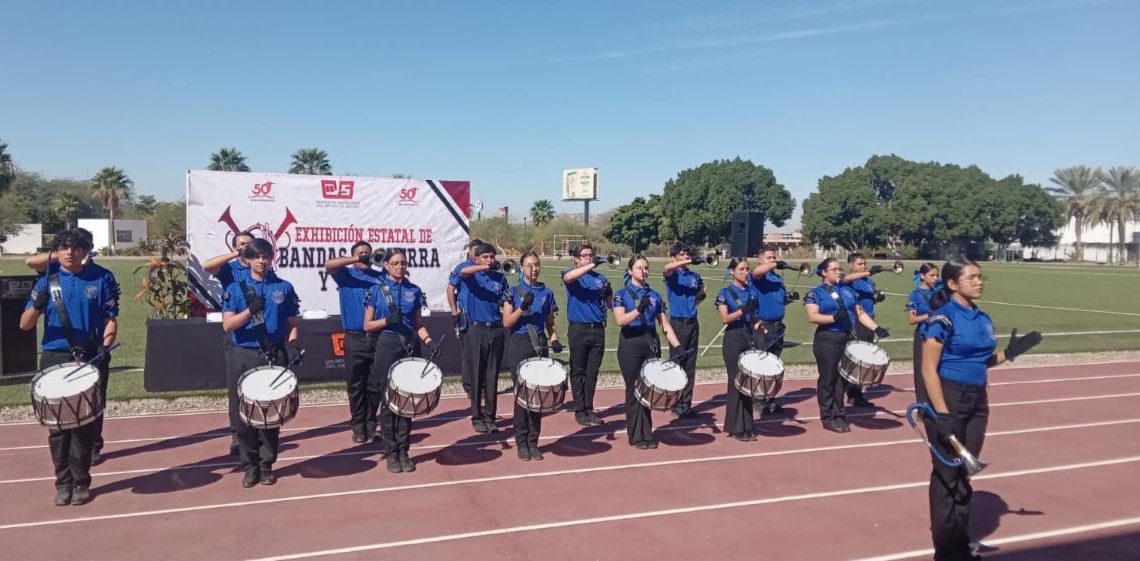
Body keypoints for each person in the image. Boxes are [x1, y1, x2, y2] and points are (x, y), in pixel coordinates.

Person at [918, 259, 1041, 561]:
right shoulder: (942, 319)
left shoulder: (982, 318)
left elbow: (980, 361)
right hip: (949, 397)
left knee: (964, 474)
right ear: (952, 284)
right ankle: (946, 552)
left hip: (977, 400)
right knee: (947, 476)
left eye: (980, 277)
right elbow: (928, 368)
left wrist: (1009, 353)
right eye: (971, 277)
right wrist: (942, 414)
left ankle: (959, 546)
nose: (978, 282)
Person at [20, 229, 119, 506]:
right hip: (55, 357)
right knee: (58, 428)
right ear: (56, 251)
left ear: (85, 251)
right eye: (64, 247)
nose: (69, 252)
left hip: (89, 356)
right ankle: (62, 483)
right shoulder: (47, 280)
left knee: (84, 425)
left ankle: (81, 481)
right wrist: (37, 305)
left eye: (75, 247)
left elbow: (110, 319)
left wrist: (105, 347)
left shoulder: (101, 278)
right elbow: (25, 324)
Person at [221, 238, 301, 487]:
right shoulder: (236, 288)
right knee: (244, 413)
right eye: (256, 257)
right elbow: (227, 325)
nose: (261, 261)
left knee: (270, 413)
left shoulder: (284, 287)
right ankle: (249, 466)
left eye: (266, 256)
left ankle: (266, 465)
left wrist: (293, 345)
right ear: (247, 260)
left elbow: (291, 322)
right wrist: (249, 311)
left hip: (272, 354)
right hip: (243, 354)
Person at [363, 249, 435, 473]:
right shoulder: (376, 290)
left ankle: (404, 450)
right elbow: (367, 325)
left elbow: (418, 323)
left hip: (409, 346)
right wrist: (386, 321)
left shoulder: (414, 290)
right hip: (387, 344)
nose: (400, 267)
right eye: (395, 263)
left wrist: (429, 341)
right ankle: (391, 451)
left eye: (403, 263)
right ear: (386, 265)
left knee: (406, 401)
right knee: (389, 401)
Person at [803, 258, 889, 433]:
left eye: (839, 269)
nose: (838, 272)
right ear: (824, 273)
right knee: (828, 379)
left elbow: (860, 313)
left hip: (847, 337)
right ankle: (828, 417)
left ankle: (839, 414)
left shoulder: (848, 291)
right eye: (834, 269)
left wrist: (876, 328)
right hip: (827, 339)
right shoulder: (816, 293)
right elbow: (812, 316)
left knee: (842, 379)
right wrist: (833, 318)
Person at [612, 255, 682, 449]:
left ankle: (646, 431)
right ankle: (636, 435)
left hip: (650, 342)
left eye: (646, 268)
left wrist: (677, 346)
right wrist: (638, 310)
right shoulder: (621, 294)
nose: (643, 271)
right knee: (634, 389)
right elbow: (620, 321)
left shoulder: (655, 295)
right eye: (639, 268)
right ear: (630, 271)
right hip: (631, 343)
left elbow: (664, 324)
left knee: (649, 390)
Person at [502, 251, 562, 461]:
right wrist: (522, 307)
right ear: (521, 268)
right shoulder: (512, 292)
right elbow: (507, 322)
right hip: (519, 342)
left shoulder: (547, 292)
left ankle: (533, 441)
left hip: (539, 344)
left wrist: (554, 339)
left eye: (536, 265)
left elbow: (550, 322)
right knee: (522, 395)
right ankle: (521, 441)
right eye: (529, 265)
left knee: (538, 395)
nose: (534, 269)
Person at [325, 241, 385, 443]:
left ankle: (371, 424)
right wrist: (357, 259)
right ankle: (358, 426)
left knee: (375, 384)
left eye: (368, 253)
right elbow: (329, 265)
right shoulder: (346, 274)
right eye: (361, 253)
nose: (366, 256)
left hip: (377, 336)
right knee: (355, 384)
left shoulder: (380, 277)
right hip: (354, 337)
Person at [204, 230, 255, 455]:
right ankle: (237, 435)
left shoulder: (260, 266)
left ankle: (258, 429)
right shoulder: (230, 268)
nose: (245, 247)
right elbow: (208, 266)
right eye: (241, 243)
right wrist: (235, 254)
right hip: (235, 329)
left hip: (258, 332)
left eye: (249, 244)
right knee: (236, 390)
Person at [458, 243, 510, 433]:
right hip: (476, 329)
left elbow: (505, 300)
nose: (490, 260)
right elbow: (463, 273)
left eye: (492, 257)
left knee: (492, 374)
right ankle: (476, 415)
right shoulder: (472, 274)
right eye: (485, 256)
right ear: (477, 259)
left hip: (495, 328)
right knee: (477, 374)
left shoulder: (499, 277)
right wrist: (482, 267)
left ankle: (490, 416)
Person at [562, 244, 613, 427]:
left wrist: (610, 295)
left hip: (597, 329)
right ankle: (579, 410)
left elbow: (610, 305)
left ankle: (589, 408)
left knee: (592, 372)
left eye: (591, 255)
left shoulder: (601, 279)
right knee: (578, 371)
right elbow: (568, 278)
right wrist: (591, 265)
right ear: (576, 259)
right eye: (584, 255)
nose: (589, 258)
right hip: (578, 329)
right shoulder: (571, 273)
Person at [717, 257, 764, 441]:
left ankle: (747, 425)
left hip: (748, 336)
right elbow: (725, 319)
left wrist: (760, 327)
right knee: (736, 381)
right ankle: (736, 427)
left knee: (748, 383)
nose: (745, 272)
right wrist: (743, 311)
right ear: (732, 271)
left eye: (747, 269)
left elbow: (754, 318)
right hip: (733, 338)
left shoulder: (752, 292)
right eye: (741, 269)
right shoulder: (725, 292)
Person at [661, 242, 704, 418]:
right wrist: (688, 261)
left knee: (690, 365)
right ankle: (674, 402)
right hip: (677, 323)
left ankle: (686, 404)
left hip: (692, 322)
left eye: (688, 254)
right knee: (677, 363)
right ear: (673, 257)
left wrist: (700, 297)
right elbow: (667, 268)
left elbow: (696, 300)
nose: (686, 257)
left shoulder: (695, 276)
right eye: (681, 254)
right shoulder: (673, 274)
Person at [750, 246, 793, 415]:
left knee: (774, 364)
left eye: (774, 257)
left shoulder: (776, 278)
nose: (773, 260)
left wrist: (788, 298)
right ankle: (757, 400)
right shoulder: (759, 276)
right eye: (769, 258)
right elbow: (757, 272)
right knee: (761, 364)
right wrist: (774, 264)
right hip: (762, 325)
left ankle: (770, 399)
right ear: (760, 260)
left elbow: (780, 298)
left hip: (777, 325)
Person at [841, 252, 885, 407]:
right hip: (856, 322)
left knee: (865, 358)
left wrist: (876, 298)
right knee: (856, 359)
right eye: (859, 264)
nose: (863, 266)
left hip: (868, 321)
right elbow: (846, 279)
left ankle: (856, 392)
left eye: (864, 263)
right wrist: (868, 272)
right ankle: (851, 393)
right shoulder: (850, 279)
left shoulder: (868, 281)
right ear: (850, 265)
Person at [448, 239, 484, 398]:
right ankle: (470, 387)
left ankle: (483, 386)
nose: (477, 254)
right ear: (469, 251)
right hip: (467, 317)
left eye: (480, 251)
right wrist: (454, 311)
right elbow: (450, 289)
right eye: (475, 251)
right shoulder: (462, 267)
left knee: (484, 355)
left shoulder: (487, 267)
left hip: (484, 318)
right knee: (469, 354)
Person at [907, 263, 940, 386]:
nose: (935, 278)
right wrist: (931, 315)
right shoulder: (914, 295)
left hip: (939, 334)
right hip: (923, 335)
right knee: (921, 371)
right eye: (932, 275)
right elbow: (912, 320)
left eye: (937, 275)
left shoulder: (939, 293)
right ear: (922, 276)